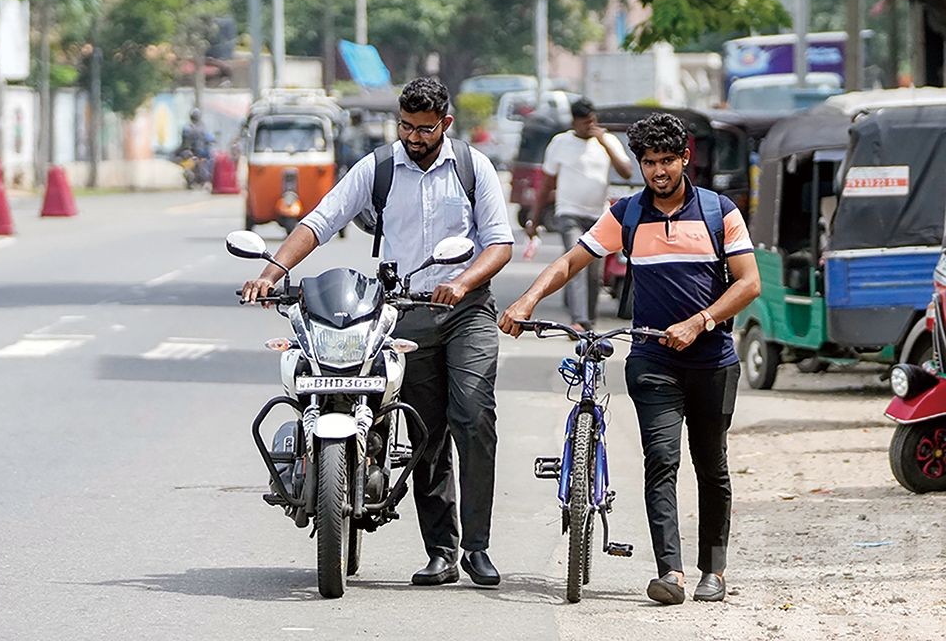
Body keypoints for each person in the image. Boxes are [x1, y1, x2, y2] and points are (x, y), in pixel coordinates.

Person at [240, 77, 514, 587]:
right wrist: (271, 272)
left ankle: (478, 547)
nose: (413, 137)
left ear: (445, 125)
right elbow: (320, 221)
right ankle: (442, 552)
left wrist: (461, 281)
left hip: (467, 310)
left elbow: (499, 244)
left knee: (473, 417)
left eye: (424, 129)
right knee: (425, 433)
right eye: (406, 126)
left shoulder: (475, 169)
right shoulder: (380, 167)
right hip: (404, 312)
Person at [498, 112, 761, 605]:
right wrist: (527, 299)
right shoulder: (627, 215)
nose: (658, 171)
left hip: (713, 360)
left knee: (711, 465)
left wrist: (700, 322)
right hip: (651, 359)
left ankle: (714, 570)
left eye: (667, 160)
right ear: (639, 164)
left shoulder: (718, 211)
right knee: (661, 461)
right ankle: (671, 573)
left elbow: (749, 283)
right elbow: (571, 260)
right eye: (648, 162)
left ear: (686, 159)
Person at [527, 99, 633, 330]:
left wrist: (604, 142)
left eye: (593, 121)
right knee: (575, 263)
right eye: (585, 122)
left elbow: (626, 172)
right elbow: (546, 184)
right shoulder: (560, 143)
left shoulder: (607, 141)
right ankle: (578, 320)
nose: (590, 126)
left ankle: (589, 321)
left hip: (599, 215)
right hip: (569, 213)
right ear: (574, 122)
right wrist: (534, 219)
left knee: (594, 273)